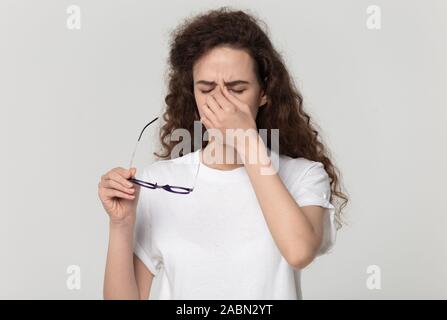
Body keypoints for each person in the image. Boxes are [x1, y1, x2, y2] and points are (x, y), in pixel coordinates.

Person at [98, 7, 348, 300]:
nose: (221, 103)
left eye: (237, 89)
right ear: (192, 92)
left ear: (264, 92)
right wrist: (121, 224)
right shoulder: (161, 182)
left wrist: (247, 141)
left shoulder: (303, 175)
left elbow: (299, 252)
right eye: (206, 89)